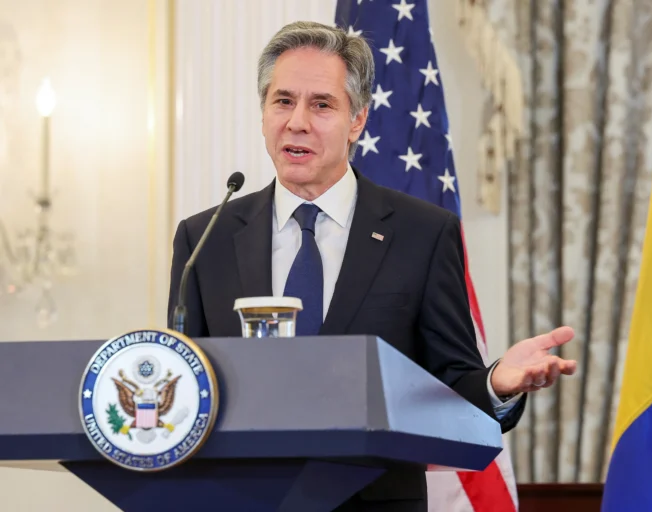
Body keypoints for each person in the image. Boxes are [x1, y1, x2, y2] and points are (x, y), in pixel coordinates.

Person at [167, 21, 577, 512]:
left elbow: (452, 383)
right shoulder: (204, 239)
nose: (297, 121)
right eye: (282, 101)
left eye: (321, 104)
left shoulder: (422, 234)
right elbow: (186, 386)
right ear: (263, 113)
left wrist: (497, 384)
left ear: (358, 120)